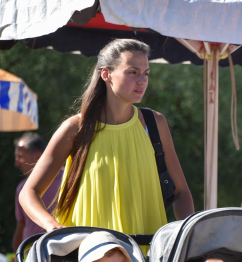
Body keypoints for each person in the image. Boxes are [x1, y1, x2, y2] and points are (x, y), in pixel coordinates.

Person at [19, 38, 194, 236]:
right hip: (89, 259)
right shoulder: (75, 129)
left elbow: (182, 192)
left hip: (147, 257)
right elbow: (28, 193)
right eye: (132, 72)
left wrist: (188, 234)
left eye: (145, 73)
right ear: (106, 74)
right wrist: (52, 225)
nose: (142, 80)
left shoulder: (155, 124)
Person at [13, 132, 63, 252]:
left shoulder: (68, 179)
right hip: (31, 260)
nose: (16, 163)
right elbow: (21, 226)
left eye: (20, 157)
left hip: (62, 254)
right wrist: (17, 260)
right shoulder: (22, 188)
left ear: (37, 156)